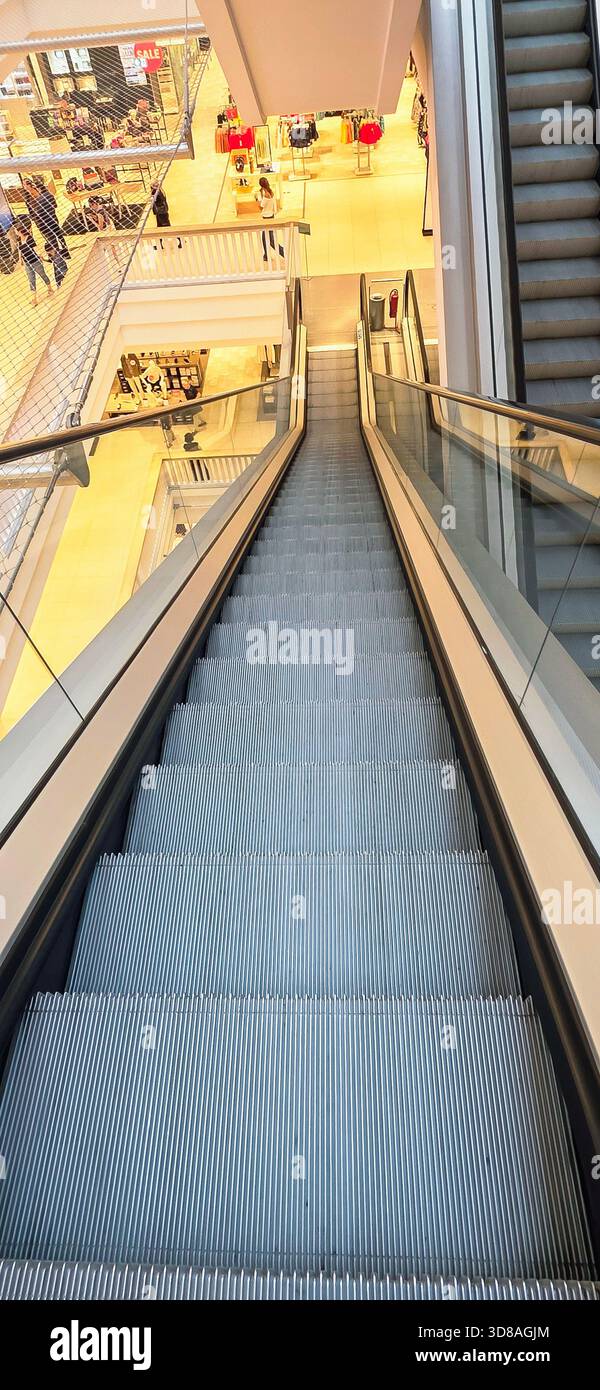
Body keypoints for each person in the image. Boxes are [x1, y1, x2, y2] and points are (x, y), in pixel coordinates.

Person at [22, 176, 69, 257]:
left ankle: (64, 253)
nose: (23, 186)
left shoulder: (43, 194)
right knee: (50, 239)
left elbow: (53, 205)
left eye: (24, 184)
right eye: (23, 185)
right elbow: (31, 211)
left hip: (51, 218)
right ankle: (56, 254)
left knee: (58, 236)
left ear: (30, 185)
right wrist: (34, 219)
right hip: (40, 223)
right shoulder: (27, 198)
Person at [15, 223, 53, 305]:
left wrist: (40, 256)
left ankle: (50, 288)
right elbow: (20, 251)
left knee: (43, 275)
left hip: (35, 261)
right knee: (31, 280)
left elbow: (35, 249)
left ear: (20, 231)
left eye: (16, 230)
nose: (15, 232)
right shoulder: (18, 240)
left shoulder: (30, 239)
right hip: (27, 263)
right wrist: (20, 260)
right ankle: (34, 299)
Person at [255, 176, 284, 261]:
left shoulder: (266, 195)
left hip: (267, 218)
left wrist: (257, 200)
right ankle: (266, 255)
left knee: (271, 241)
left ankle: (283, 252)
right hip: (270, 216)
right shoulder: (271, 192)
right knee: (264, 238)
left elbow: (261, 207)